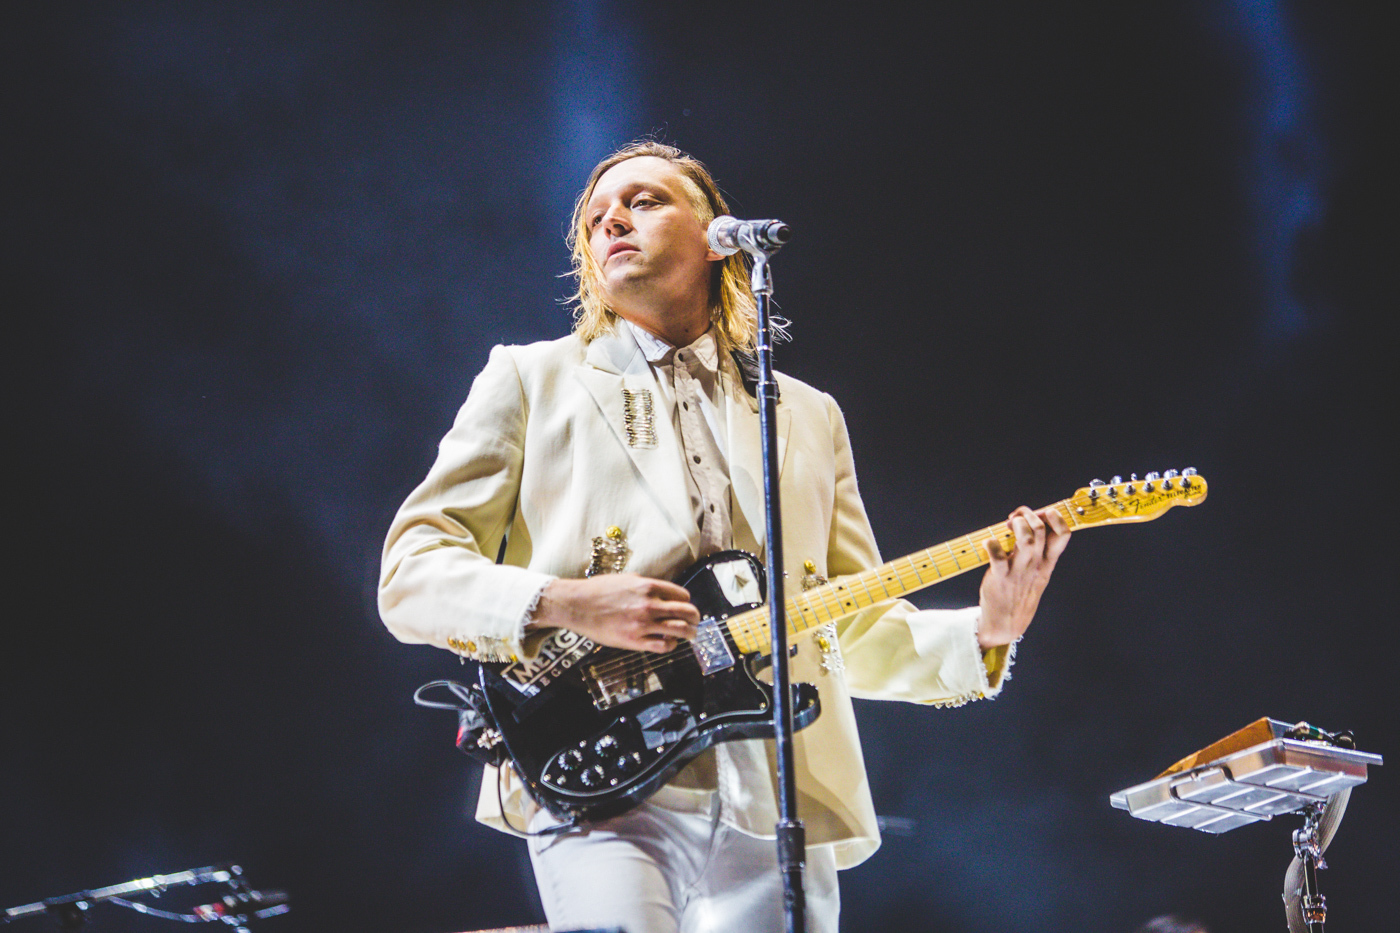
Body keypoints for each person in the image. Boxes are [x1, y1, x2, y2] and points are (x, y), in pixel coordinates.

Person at [378, 141, 1071, 933]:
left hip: (781, 778)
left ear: (717, 235)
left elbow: (844, 623)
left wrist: (989, 629)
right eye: (596, 217)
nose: (612, 222)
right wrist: (564, 600)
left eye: (642, 201)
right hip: (602, 761)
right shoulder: (532, 379)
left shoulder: (808, 413)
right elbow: (410, 572)